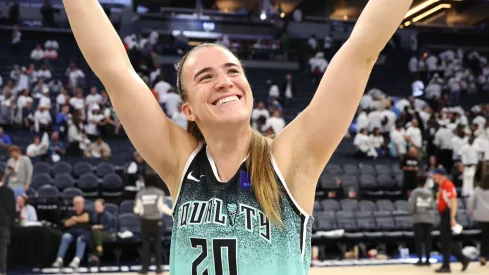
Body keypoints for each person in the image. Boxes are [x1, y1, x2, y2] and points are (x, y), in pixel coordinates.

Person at [62, 0, 414, 273]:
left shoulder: (290, 158)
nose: (225, 81)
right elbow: (114, 69)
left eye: (233, 70)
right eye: (205, 77)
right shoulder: (179, 161)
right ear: (188, 110)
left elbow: (361, 50)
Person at [431, 168, 470, 273]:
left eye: (435, 175)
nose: (434, 177)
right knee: (445, 241)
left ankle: (447, 265)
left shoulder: (448, 185)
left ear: (440, 175)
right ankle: (462, 259)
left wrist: (452, 218)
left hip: (448, 214)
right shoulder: (441, 186)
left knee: (445, 241)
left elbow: (453, 202)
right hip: (444, 214)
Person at [134, 180, 172, 275]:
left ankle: (144, 269)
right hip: (157, 222)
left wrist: (144, 212)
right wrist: (172, 213)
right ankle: (158, 269)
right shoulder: (159, 192)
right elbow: (162, 207)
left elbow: (137, 210)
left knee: (145, 246)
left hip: (145, 221)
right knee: (157, 245)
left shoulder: (141, 193)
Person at [52, 196, 91, 269]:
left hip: (84, 232)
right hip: (72, 232)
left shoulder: (88, 211)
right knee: (65, 236)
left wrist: (74, 219)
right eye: (76, 203)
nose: (78, 205)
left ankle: (77, 260)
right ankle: (59, 259)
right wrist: (78, 219)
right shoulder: (70, 212)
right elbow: (66, 224)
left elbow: (86, 218)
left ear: (83, 203)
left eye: (79, 203)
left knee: (81, 239)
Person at [409, 175, 435, 266]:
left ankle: (420, 260)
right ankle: (428, 260)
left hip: (418, 218)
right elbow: (433, 205)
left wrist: (411, 213)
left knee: (419, 240)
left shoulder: (415, 192)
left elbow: (412, 205)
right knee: (428, 240)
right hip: (429, 218)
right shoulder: (430, 192)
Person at [466, 174, 489, 266]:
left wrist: (470, 211)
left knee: (485, 238)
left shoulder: (477, 190)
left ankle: (482, 258)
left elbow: (470, 201)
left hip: (482, 216)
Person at [89, 199, 116, 265]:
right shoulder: (94, 214)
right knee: (95, 233)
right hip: (99, 234)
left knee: (95, 233)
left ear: (103, 206)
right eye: (95, 206)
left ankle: (95, 254)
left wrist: (99, 227)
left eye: (98, 206)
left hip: (109, 233)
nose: (96, 208)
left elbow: (110, 227)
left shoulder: (108, 215)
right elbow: (91, 224)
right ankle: (99, 249)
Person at [0, 172, 15, 275]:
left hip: (4, 224)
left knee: (3, 249)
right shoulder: (9, 191)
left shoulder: (8, 191)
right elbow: (12, 209)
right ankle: (2, 271)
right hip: (5, 224)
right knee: (3, 249)